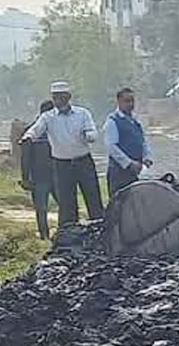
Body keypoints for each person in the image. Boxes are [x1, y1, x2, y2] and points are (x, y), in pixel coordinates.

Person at [21, 81, 103, 225]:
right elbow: (36, 129)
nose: (58, 100)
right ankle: (69, 233)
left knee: (93, 198)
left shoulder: (82, 113)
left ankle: (100, 228)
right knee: (67, 204)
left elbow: (92, 132)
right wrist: (28, 137)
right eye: (55, 97)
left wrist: (89, 135)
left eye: (61, 97)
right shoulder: (48, 117)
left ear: (68, 97)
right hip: (62, 165)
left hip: (83, 162)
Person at [102, 87, 153, 203]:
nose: (130, 104)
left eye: (132, 101)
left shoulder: (135, 121)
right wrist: (129, 163)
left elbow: (142, 142)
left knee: (134, 203)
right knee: (119, 204)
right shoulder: (112, 121)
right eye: (127, 101)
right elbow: (111, 147)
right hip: (119, 172)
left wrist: (147, 157)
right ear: (119, 102)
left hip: (135, 171)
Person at [21, 100, 57, 239]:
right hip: (47, 176)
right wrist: (25, 178)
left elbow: (25, 157)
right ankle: (47, 235)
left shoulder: (56, 129)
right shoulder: (32, 132)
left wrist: (25, 177)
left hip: (46, 175)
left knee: (43, 209)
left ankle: (47, 234)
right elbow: (25, 156)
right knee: (48, 208)